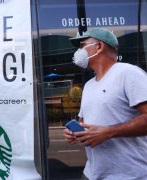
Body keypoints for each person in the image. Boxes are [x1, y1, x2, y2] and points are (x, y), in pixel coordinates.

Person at [63, 28, 147, 179]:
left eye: (82, 45)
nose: (79, 51)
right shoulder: (88, 85)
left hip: (129, 175)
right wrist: (75, 132)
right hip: (92, 173)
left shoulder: (129, 73)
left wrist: (108, 132)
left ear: (99, 46)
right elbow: (84, 123)